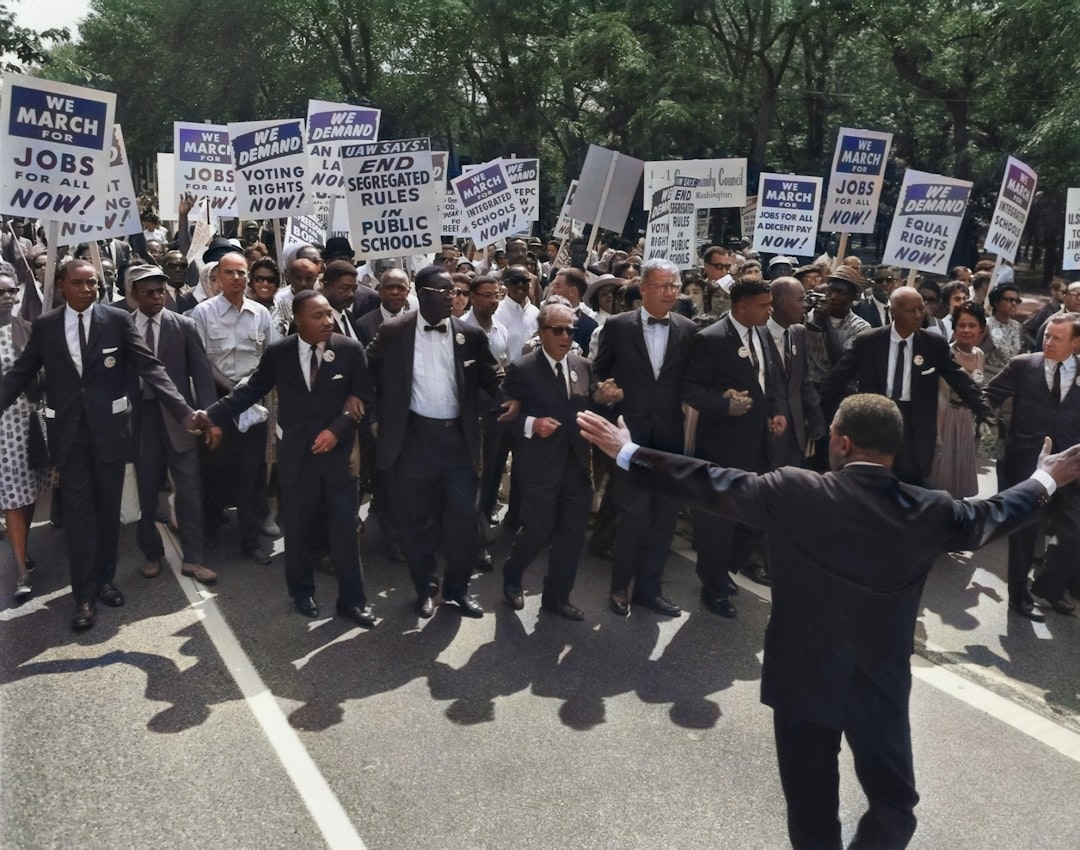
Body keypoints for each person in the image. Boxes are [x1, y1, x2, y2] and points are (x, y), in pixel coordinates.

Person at [576, 395, 1080, 850]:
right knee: (894, 804)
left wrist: (628, 451)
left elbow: (708, 480)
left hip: (801, 677)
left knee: (812, 813)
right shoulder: (930, 509)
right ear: (893, 448)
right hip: (878, 682)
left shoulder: (796, 491)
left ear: (840, 441)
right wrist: (1046, 478)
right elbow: (990, 515)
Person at [0, 259, 196, 631]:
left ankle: (105, 579)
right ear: (61, 286)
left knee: (108, 513)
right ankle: (84, 596)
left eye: (93, 283)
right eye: (79, 283)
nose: (89, 289)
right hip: (69, 437)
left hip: (110, 435)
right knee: (78, 517)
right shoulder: (46, 327)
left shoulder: (117, 321)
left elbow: (150, 367)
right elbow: (20, 374)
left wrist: (184, 410)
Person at [194, 291, 375, 626]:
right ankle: (302, 593)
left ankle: (352, 602)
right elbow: (250, 389)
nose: (327, 322)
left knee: (344, 532)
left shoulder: (349, 349)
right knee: (298, 530)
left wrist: (336, 430)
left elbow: (363, 394)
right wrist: (212, 415)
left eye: (329, 315)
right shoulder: (280, 353)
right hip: (296, 459)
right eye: (318, 316)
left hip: (337, 459)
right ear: (298, 320)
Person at [365, 265, 506, 619]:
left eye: (455, 294)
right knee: (417, 522)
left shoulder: (470, 335)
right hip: (413, 441)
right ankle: (425, 588)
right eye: (444, 293)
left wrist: (516, 400)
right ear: (421, 294)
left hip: (458, 442)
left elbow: (494, 377)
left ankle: (457, 590)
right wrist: (373, 415)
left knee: (462, 519)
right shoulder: (395, 331)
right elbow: (365, 373)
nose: (452, 299)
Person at [592, 257, 696, 617]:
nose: (671, 293)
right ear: (644, 288)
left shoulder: (687, 328)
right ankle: (620, 588)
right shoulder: (620, 327)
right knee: (633, 514)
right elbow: (599, 372)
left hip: (669, 436)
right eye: (664, 286)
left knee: (664, 517)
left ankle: (650, 590)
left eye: (676, 286)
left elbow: (693, 382)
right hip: (629, 436)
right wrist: (602, 392)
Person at [684, 280, 786, 612]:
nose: (769, 310)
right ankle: (713, 587)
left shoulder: (763, 334)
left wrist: (776, 412)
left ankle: (725, 568)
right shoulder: (710, 339)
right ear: (741, 305)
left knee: (757, 518)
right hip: (723, 448)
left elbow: (770, 381)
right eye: (763, 304)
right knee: (718, 523)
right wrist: (724, 405)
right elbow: (691, 390)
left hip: (760, 446)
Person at [822, 286, 992, 486]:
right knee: (871, 486)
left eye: (921, 309)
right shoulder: (868, 341)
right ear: (893, 312)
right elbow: (837, 378)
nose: (919, 315)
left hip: (915, 427)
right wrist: (819, 413)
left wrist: (985, 410)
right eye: (912, 310)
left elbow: (959, 379)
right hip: (876, 422)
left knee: (909, 488)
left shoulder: (933, 344)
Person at [127, 265, 220, 585]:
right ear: (133, 294)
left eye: (161, 291)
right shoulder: (122, 327)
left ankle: (194, 558)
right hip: (141, 419)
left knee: (190, 490)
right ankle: (151, 554)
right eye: (149, 292)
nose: (157, 298)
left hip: (181, 420)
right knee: (147, 490)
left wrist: (208, 417)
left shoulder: (183, 325)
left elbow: (202, 375)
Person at [499, 303, 592, 620]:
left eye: (570, 330)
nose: (565, 336)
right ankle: (512, 575)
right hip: (539, 466)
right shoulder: (523, 369)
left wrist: (605, 399)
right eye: (558, 330)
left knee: (572, 535)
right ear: (541, 332)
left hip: (576, 466)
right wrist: (531, 424)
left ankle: (557, 597)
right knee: (538, 531)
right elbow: (504, 414)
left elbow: (586, 409)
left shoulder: (582, 365)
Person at [986, 313, 1080, 620]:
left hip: (1069, 468)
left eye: (1057, 338)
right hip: (1027, 465)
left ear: (1076, 343)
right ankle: (1019, 598)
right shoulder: (1023, 365)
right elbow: (989, 396)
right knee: (1025, 535)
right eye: (1047, 336)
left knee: (1073, 531)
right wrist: (989, 423)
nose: (1048, 342)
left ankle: (1048, 587)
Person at [190, 251, 275, 564]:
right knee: (215, 472)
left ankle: (250, 541)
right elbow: (200, 362)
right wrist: (233, 392)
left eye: (242, 273)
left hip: (254, 406)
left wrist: (251, 392)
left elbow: (268, 358)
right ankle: (209, 532)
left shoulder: (260, 314)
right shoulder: (203, 313)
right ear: (218, 277)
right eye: (230, 273)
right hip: (218, 405)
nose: (237, 279)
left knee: (252, 477)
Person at [0, 265, 46, 599]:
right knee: (13, 498)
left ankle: (23, 546)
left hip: (27, 423)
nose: (6, 298)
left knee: (26, 495)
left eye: (11, 291)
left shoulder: (28, 329)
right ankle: (20, 570)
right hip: (2, 428)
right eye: (0, 292)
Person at [927, 302, 986, 497]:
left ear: (981, 329)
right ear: (954, 328)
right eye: (961, 325)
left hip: (968, 420)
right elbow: (942, 395)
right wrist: (938, 433)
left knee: (960, 481)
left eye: (972, 325)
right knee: (942, 478)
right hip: (947, 418)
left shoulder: (980, 355)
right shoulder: (947, 354)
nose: (966, 330)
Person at [767, 276, 826, 469]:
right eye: (800, 300)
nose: (805, 306)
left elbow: (803, 381)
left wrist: (815, 416)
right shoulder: (756, 334)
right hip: (768, 431)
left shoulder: (799, 332)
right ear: (783, 303)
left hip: (796, 431)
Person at [982, 283, 1026, 383]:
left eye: (1017, 301)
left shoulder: (1017, 326)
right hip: (988, 380)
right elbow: (974, 355)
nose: (1014, 304)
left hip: (1011, 379)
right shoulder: (986, 325)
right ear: (996, 302)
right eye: (1009, 300)